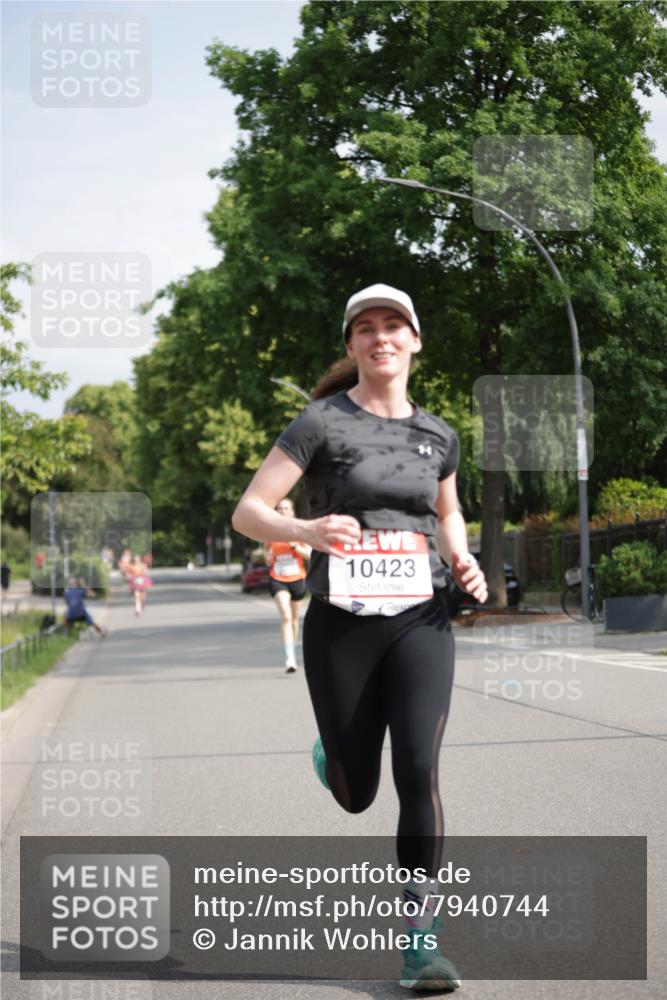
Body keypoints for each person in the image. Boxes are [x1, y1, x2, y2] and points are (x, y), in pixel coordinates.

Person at [233, 284, 487, 991]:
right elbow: (249, 511)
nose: (381, 337)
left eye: (393, 326)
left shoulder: (439, 434)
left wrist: (459, 555)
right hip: (341, 620)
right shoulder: (319, 423)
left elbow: (448, 511)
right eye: (366, 328)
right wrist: (305, 530)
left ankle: (419, 943)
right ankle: (336, 754)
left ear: (414, 340)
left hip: (420, 616)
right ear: (351, 345)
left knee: (419, 770)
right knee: (356, 791)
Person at [264, 498, 311, 672]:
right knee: (285, 615)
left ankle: (293, 653)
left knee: (294, 619)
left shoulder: (298, 531)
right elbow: (267, 556)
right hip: (277, 578)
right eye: (279, 509)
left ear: (292, 512)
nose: (282, 511)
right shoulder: (271, 532)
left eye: (286, 508)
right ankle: (290, 659)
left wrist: (294, 547)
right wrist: (268, 557)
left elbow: (309, 555)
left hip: (297, 579)